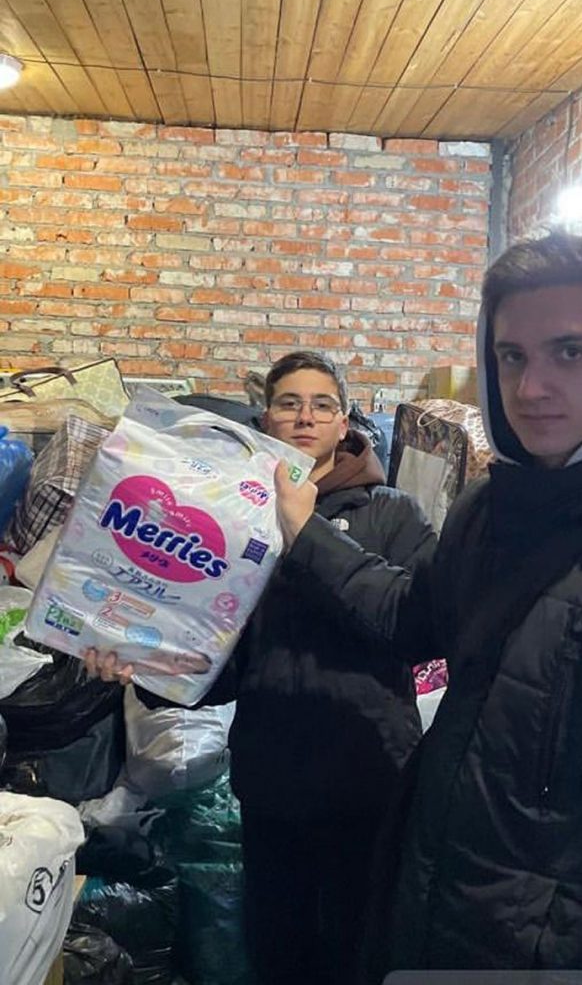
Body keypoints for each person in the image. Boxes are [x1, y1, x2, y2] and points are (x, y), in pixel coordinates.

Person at [273, 233, 582, 974]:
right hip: (439, 908)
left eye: (570, 352)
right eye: (511, 356)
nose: (531, 387)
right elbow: (408, 619)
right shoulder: (490, 509)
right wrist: (304, 533)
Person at [85, 350, 436, 985]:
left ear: (344, 422)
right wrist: (144, 668)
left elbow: (411, 628)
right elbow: (221, 668)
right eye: (289, 404)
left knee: (363, 949)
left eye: (322, 405)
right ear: (266, 418)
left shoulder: (392, 514)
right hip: (274, 779)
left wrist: (306, 532)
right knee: (278, 950)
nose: (305, 417)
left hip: (370, 773)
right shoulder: (237, 519)